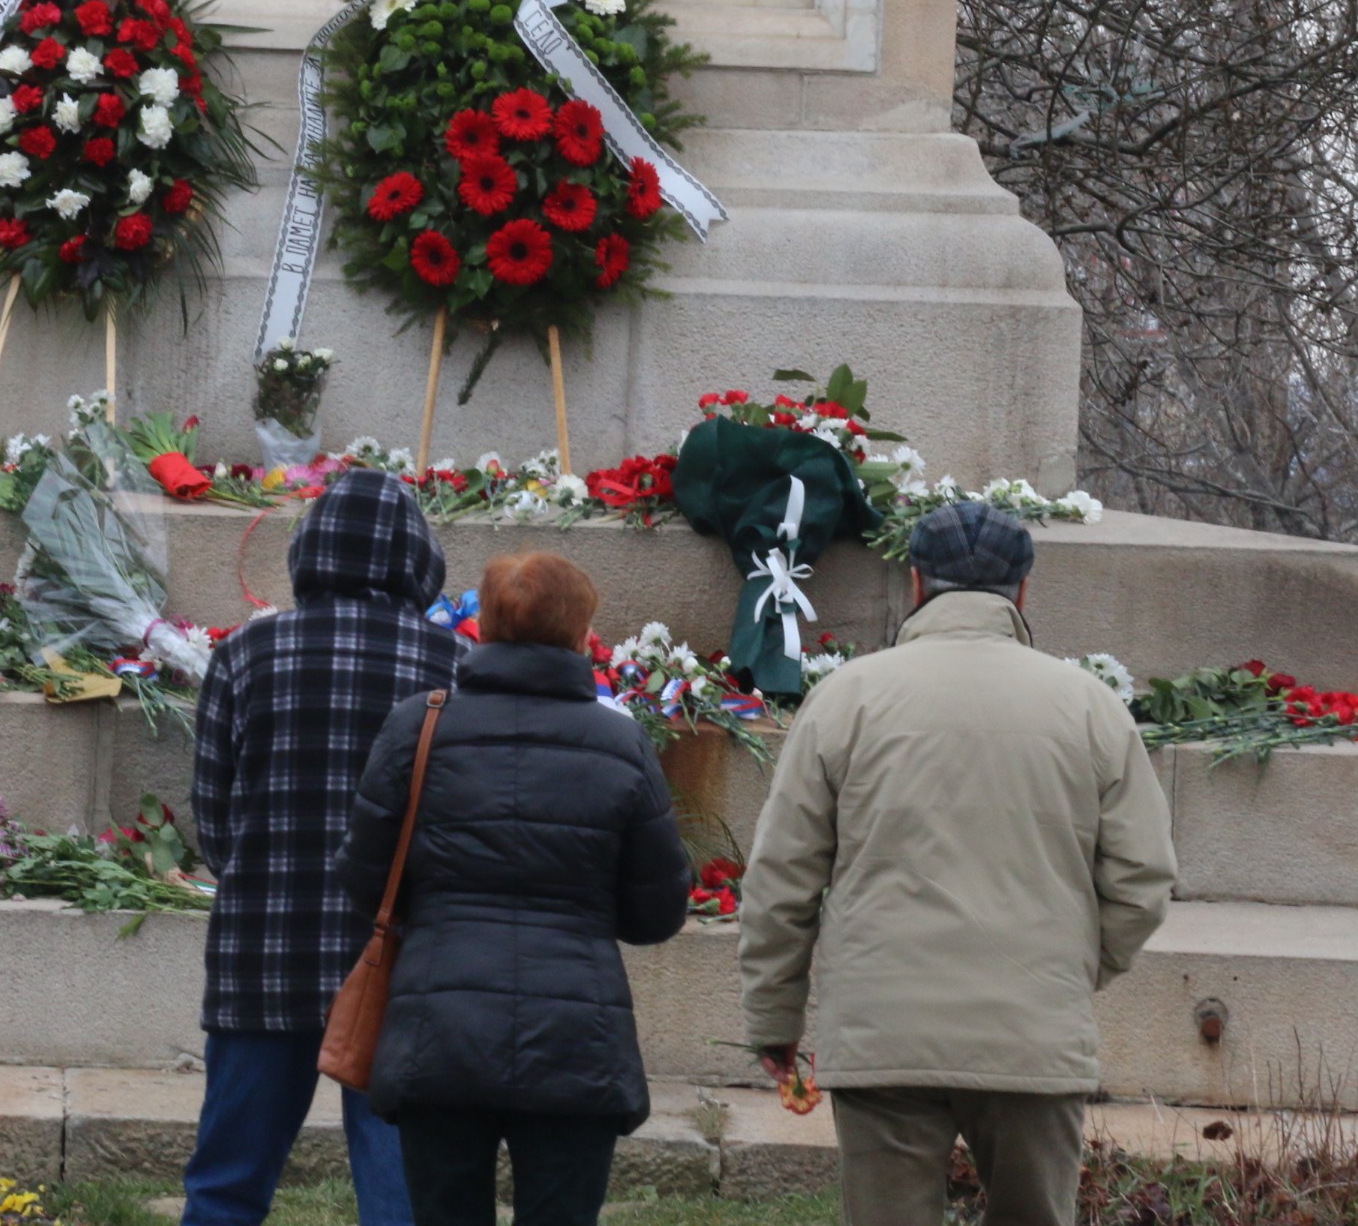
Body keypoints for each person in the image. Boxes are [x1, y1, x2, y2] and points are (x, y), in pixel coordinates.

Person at [739, 501, 1179, 1226]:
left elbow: (782, 877)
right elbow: (1143, 879)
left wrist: (774, 1018)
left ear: (915, 582)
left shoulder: (845, 700)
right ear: (1024, 590)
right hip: (1033, 1030)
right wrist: (1069, 973)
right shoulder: (1090, 708)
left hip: (883, 1030)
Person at [337, 551, 694, 1226]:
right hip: (576, 1039)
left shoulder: (420, 725)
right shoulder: (620, 743)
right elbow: (656, 913)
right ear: (582, 632)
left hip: (438, 1031)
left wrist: (439, 913)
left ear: (487, 625)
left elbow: (363, 878)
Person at [183, 467, 460, 1226]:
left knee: (226, 1185)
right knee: (400, 1195)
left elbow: (213, 818)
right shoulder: (451, 667)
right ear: (418, 558)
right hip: (400, 964)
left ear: (308, 550)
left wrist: (256, 876)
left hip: (264, 952)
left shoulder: (245, 653)